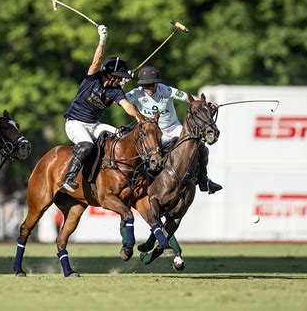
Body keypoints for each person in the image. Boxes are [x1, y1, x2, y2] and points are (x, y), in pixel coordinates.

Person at [59, 25, 145, 193]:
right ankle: (68, 178)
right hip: (75, 123)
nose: (120, 81)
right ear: (108, 74)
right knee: (86, 146)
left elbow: (127, 106)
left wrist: (139, 118)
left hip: (94, 124)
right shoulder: (92, 79)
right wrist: (102, 40)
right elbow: (96, 61)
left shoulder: (116, 91)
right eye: (118, 77)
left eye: (122, 78)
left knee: (121, 138)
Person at [125, 66, 222, 194]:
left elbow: (188, 98)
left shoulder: (166, 90)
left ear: (156, 83)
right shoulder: (136, 93)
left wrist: (207, 104)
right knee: (147, 155)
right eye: (145, 86)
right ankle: (136, 182)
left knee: (202, 148)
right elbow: (118, 100)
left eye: (151, 85)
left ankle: (203, 180)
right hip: (153, 133)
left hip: (174, 127)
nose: (148, 88)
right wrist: (121, 85)